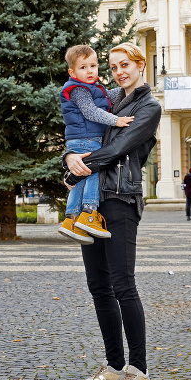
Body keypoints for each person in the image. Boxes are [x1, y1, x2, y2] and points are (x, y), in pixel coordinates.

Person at [63, 42, 161, 380]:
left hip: (121, 199)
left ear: (140, 66)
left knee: (123, 286)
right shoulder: (106, 100)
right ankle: (114, 367)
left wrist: (77, 170)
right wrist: (69, 157)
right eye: (114, 66)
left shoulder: (149, 107)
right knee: (98, 287)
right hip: (95, 204)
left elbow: (118, 148)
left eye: (125, 65)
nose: (119, 71)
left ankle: (140, 372)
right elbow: (83, 136)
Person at [58, 44, 134, 243]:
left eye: (93, 65)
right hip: (87, 139)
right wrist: (115, 120)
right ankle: (89, 213)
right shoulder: (78, 90)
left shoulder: (93, 88)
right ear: (72, 72)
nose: (90, 71)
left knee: (81, 177)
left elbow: (112, 95)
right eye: (83, 67)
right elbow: (91, 112)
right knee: (93, 172)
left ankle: (72, 219)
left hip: (82, 139)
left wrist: (133, 85)